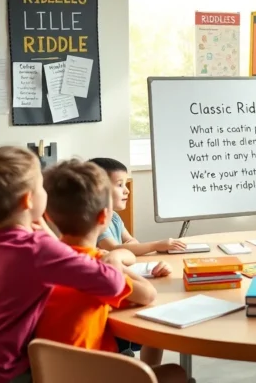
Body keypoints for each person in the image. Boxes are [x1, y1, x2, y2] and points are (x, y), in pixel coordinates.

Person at [0, 147, 126, 383]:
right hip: (13, 373)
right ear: (28, 200)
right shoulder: (35, 248)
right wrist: (113, 258)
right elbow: (112, 284)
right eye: (41, 187)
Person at [36, 159, 185, 383]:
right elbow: (148, 294)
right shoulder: (98, 268)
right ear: (104, 216)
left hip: (48, 373)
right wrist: (115, 263)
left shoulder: (41, 260)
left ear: (48, 216)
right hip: (94, 374)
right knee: (176, 373)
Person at [89, 157, 186, 255]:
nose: (127, 191)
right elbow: (113, 249)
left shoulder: (114, 217)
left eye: (125, 184)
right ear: (99, 189)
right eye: (120, 185)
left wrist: (127, 247)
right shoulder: (96, 221)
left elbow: (132, 241)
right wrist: (156, 245)